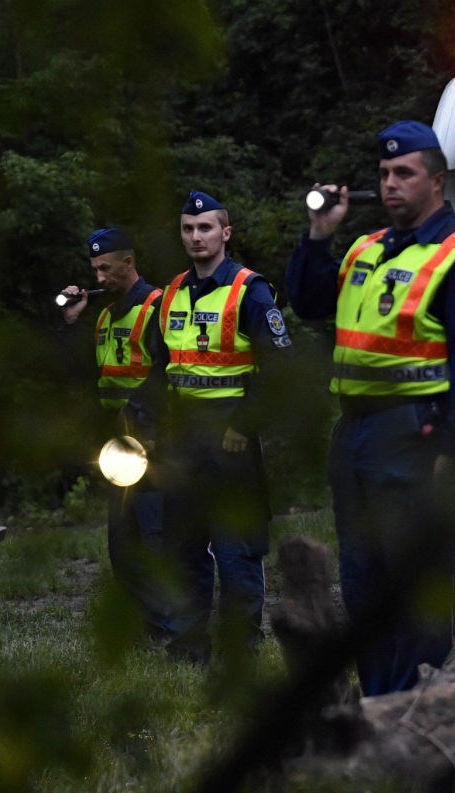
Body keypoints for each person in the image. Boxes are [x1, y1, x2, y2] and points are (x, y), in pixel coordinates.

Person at [285, 120, 455, 696]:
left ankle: (420, 708)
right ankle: (380, 706)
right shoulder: (365, 249)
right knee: (364, 586)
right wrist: (318, 235)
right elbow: (308, 302)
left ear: (437, 180)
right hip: (357, 437)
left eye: (403, 173)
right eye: (383, 174)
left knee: (416, 585)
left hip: (417, 438)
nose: (390, 184)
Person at [151, 191, 294, 662]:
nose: (196, 236)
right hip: (181, 440)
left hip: (229, 441)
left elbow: (280, 368)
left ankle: (241, 646)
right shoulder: (170, 293)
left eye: (206, 228)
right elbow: (159, 368)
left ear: (225, 233)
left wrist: (244, 423)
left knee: (236, 550)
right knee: (184, 547)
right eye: (189, 229)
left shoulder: (249, 290)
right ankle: (189, 643)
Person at [57, 227, 173, 639]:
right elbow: (82, 376)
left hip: (154, 444)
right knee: (123, 547)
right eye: (94, 269)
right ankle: (150, 625)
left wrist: (141, 419)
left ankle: (174, 628)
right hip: (118, 448)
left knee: (157, 540)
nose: (99, 277)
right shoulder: (104, 316)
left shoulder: (158, 307)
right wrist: (72, 323)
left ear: (129, 262)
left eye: (106, 268)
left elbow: (166, 373)